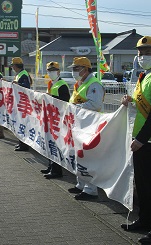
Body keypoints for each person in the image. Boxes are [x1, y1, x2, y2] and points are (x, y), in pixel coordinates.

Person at [120, 36, 151, 242]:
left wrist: (140, 139)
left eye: (147, 52)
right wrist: (130, 101)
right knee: (143, 185)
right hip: (143, 143)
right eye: (140, 52)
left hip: (146, 141)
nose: (142, 56)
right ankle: (145, 220)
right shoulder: (144, 76)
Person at [67, 57, 104, 200]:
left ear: (86, 69)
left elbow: (95, 105)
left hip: (90, 125)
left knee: (87, 157)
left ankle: (91, 190)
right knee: (78, 156)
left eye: (76, 69)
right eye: (73, 69)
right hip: (79, 125)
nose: (74, 72)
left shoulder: (94, 84)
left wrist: (75, 108)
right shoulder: (80, 83)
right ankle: (81, 184)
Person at [41, 61, 70, 179]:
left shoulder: (62, 85)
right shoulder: (51, 84)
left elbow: (64, 101)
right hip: (51, 117)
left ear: (58, 71)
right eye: (49, 71)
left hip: (58, 119)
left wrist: (50, 98)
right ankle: (51, 166)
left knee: (56, 144)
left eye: (53, 71)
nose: (51, 73)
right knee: (50, 143)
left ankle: (56, 170)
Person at [11, 57, 32, 151]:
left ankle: (24, 145)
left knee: (23, 124)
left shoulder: (23, 74)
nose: (12, 67)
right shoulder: (19, 74)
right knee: (20, 124)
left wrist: (17, 84)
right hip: (19, 102)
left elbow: (26, 87)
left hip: (23, 103)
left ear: (16, 66)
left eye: (13, 65)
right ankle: (20, 143)